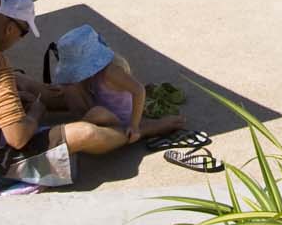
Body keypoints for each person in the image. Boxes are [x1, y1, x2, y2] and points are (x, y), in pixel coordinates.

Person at [0, 0, 151, 193]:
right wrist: (36, 113)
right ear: (10, 28)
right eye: (24, 33)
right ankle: (137, 132)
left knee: (23, 82)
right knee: (85, 133)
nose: (21, 39)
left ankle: (85, 104)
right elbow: (18, 138)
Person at [40, 25, 185, 149]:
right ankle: (80, 126)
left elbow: (139, 90)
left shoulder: (111, 71)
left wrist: (134, 126)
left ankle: (76, 130)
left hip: (120, 120)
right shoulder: (93, 71)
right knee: (69, 88)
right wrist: (64, 87)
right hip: (99, 106)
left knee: (98, 112)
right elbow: (78, 85)